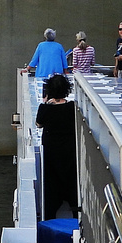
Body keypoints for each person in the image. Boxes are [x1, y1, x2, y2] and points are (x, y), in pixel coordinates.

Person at [35, 74, 79, 221]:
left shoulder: (45, 108)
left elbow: (39, 124)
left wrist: (45, 102)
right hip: (69, 150)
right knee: (72, 180)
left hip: (51, 151)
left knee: (51, 183)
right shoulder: (73, 107)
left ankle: (50, 215)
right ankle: (75, 213)